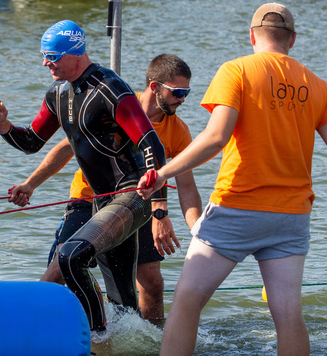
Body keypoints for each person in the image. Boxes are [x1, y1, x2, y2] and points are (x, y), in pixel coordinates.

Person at [137, 2, 327, 355]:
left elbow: (215, 138)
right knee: (288, 315)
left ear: (251, 36)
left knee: (187, 301)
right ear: (292, 40)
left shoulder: (237, 71)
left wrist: (162, 173)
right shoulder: (317, 85)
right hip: (293, 216)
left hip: (238, 206)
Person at [0, 20, 166, 332]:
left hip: (132, 196)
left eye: (52, 56)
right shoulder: (57, 94)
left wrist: (159, 206)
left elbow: (152, 145)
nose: (45, 63)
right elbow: (32, 143)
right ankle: (142, 344)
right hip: (103, 202)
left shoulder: (109, 88)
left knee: (69, 256)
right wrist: (3, 126)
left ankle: (97, 338)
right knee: (124, 306)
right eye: (43, 55)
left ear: (75, 54)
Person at [11, 54, 201, 323]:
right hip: (89, 197)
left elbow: (187, 186)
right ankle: (32, 322)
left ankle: (151, 339)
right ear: (155, 86)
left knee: (152, 283)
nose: (183, 99)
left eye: (187, 93)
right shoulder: (117, 101)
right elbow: (66, 148)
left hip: (134, 202)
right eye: (178, 92)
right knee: (61, 268)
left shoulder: (179, 131)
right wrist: (30, 184)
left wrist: (198, 231)